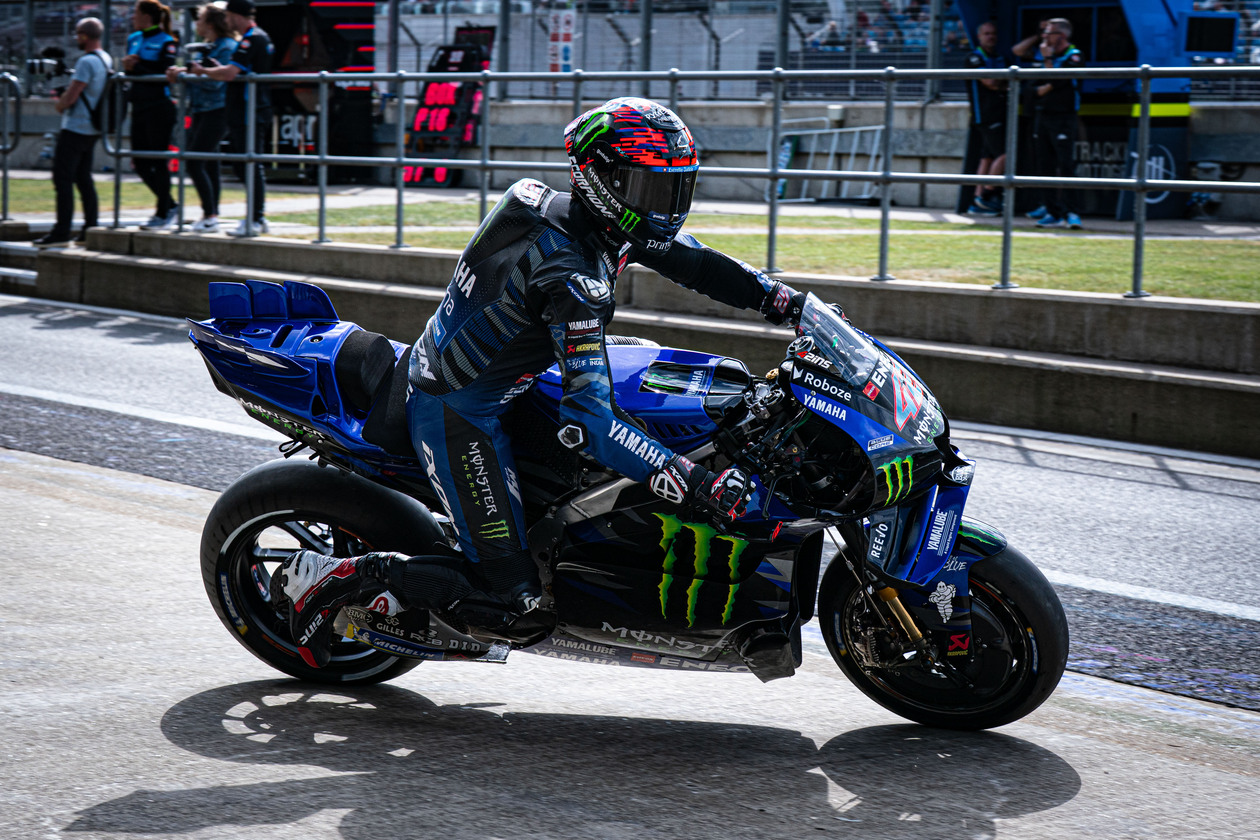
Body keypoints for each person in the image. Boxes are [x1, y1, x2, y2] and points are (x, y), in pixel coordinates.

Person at [270, 98, 813, 668]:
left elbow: (694, 261)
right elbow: (591, 424)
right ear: (601, 179)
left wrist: (786, 301)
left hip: (510, 374)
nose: (667, 204)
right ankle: (340, 577)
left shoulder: (551, 204)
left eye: (676, 187)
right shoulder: (571, 279)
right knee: (514, 604)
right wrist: (694, 482)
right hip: (457, 410)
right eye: (651, 188)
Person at [184, 0, 272, 236]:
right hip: (244, 110)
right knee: (244, 164)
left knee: (249, 165)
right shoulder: (253, 38)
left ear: (235, 15)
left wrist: (204, 71)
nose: (226, 20)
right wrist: (211, 69)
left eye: (228, 15)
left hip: (250, 109)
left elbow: (230, 73)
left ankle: (255, 219)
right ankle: (256, 218)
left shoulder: (252, 39)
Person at [34, 18, 112, 248]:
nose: (75, 38)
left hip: (76, 127)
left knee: (62, 178)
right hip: (92, 128)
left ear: (84, 36)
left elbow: (72, 95)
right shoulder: (105, 58)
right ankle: (90, 227)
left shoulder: (86, 61)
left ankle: (61, 232)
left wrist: (59, 104)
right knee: (83, 178)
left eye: (77, 34)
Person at [166, 3, 237, 233]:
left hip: (217, 110)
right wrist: (183, 72)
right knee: (209, 163)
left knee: (194, 161)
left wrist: (194, 73)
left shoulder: (227, 47)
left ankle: (210, 215)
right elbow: (199, 72)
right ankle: (211, 214)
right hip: (200, 109)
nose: (197, 24)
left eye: (200, 20)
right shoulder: (207, 47)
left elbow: (217, 82)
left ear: (210, 24)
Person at [1014, 18, 1084, 229]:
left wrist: (1048, 63)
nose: (1044, 37)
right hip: (1042, 115)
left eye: (1049, 33)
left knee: (1065, 165)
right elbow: (1031, 88)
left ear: (1061, 36)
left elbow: (1059, 81)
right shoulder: (1041, 54)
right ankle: (1052, 212)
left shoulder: (1073, 55)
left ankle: (1071, 212)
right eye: (1043, 32)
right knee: (1044, 165)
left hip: (1064, 117)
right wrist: (1046, 85)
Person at [123, 0, 179, 231]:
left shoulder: (167, 41)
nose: (133, 17)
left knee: (158, 161)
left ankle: (163, 212)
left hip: (159, 107)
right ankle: (171, 204)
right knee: (140, 163)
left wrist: (137, 66)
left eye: (136, 13)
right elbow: (131, 71)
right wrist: (130, 66)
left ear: (147, 16)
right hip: (138, 106)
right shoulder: (133, 39)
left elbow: (164, 73)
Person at [965, 21, 1009, 216]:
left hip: (1000, 113)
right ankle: (987, 195)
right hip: (985, 115)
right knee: (1007, 154)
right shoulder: (974, 58)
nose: (991, 37)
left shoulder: (1000, 58)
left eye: (993, 33)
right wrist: (1005, 81)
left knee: (987, 157)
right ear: (979, 37)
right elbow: (990, 82)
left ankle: (977, 200)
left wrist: (1002, 82)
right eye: (987, 34)